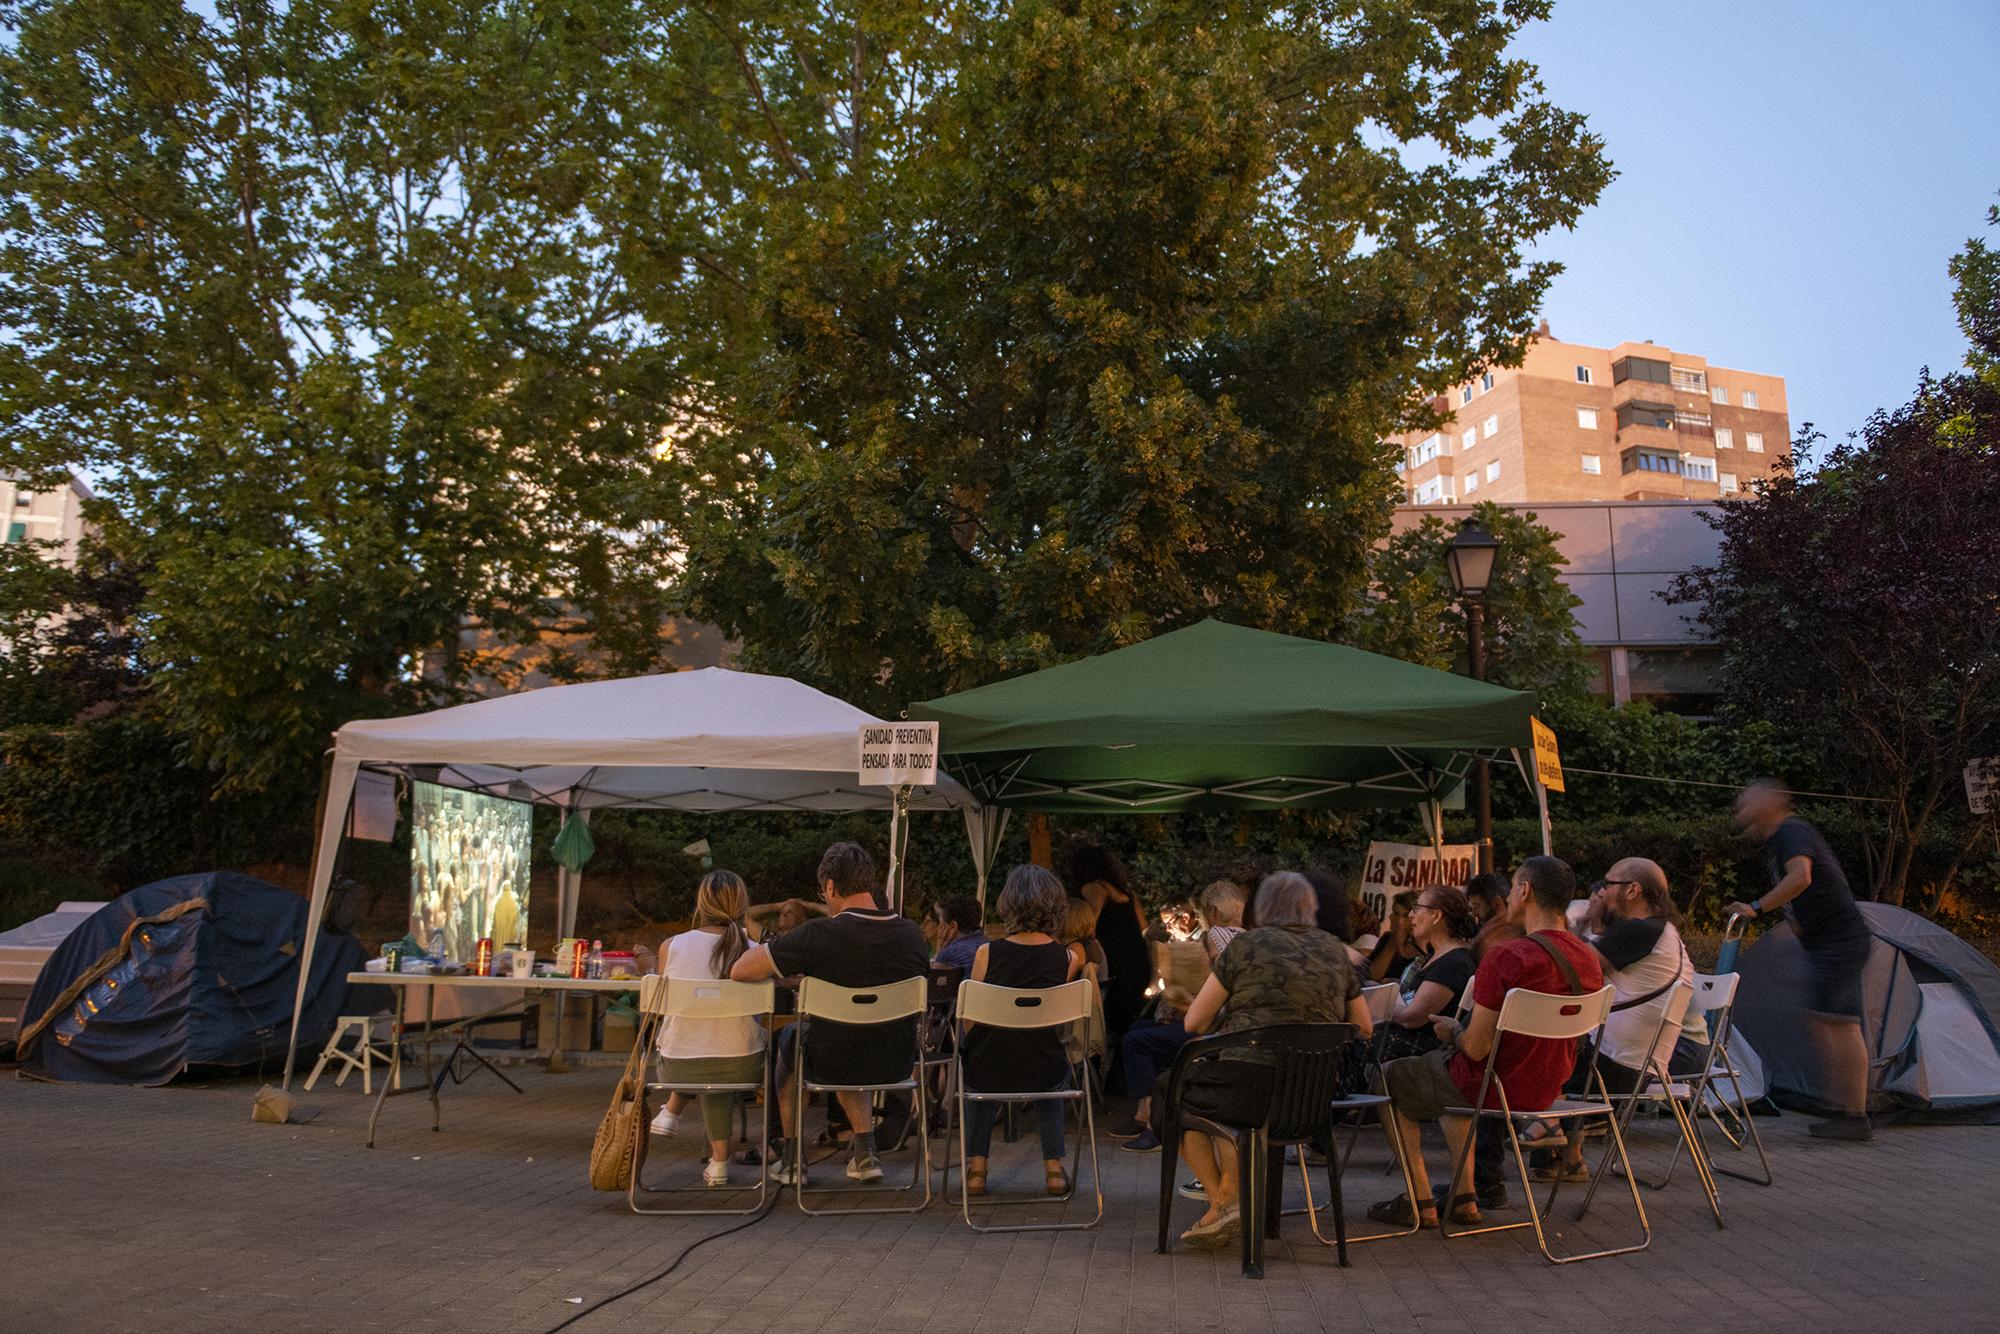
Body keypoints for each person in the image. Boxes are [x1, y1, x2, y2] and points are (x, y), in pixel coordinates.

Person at [1371, 855, 1603, 1229]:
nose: (1509, 897)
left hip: (1494, 1086)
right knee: (1442, 1080)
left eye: (1513, 887)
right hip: (1549, 1089)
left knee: (1386, 1075)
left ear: (1525, 891)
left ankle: (1420, 1200)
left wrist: (1451, 1031)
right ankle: (1464, 1197)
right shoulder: (1587, 959)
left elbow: (1476, 1048)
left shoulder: (1507, 956)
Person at [1161, 872, 1372, 1250]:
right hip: (1311, 1098)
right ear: (1311, 909)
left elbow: (1195, 1023)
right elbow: (1364, 1027)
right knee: (1216, 1092)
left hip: (1248, 1092)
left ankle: (1224, 1201)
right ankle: (1227, 1202)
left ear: (1260, 908)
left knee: (1169, 1091)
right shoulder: (1334, 952)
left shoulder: (1246, 947)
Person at [730, 842, 929, 1184]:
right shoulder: (911, 935)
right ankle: (866, 1153)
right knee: (850, 1033)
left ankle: (792, 1157)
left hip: (832, 1056)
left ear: (832, 887)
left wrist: (792, 974)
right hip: (897, 1060)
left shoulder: (818, 934)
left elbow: (741, 970)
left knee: (793, 1038)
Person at [1538, 857, 1704, 1181]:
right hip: (1640, 1066)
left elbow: (1572, 967)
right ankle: (1566, 1157)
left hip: (1617, 1068)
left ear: (1633, 890)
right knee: (1559, 1041)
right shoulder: (1661, 931)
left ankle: (1526, 1140)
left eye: (1608, 884)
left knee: (1527, 1044)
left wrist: (1583, 921)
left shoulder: (1639, 930)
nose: (1601, 892)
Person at [1728, 779, 1875, 1141]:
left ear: (1769, 805)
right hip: (1828, 941)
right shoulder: (1779, 841)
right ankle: (1841, 1107)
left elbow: (1801, 877)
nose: (1742, 813)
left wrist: (1756, 908)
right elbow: (1800, 895)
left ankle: (1854, 1115)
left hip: (1840, 941)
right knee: (1825, 1022)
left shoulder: (1790, 832)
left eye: (1747, 805)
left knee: (1839, 1023)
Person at [960, 865, 1083, 1197]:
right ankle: (1054, 1169)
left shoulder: (987, 953)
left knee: (980, 1057)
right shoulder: (1067, 957)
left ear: (1008, 904)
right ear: (1054, 906)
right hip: (1043, 1067)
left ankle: (977, 1168)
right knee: (1046, 1062)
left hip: (990, 1068)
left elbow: (971, 1020)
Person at [650, 870, 765, 1187]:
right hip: (741, 1067)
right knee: (726, 1055)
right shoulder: (755, 951)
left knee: (702, 1050)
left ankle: (673, 1112)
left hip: (676, 1068)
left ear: (701, 904)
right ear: (743, 904)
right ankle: (719, 1165)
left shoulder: (671, 946)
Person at [1112, 882, 1238, 1151]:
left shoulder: (1212, 941)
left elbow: (1205, 1012)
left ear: (1209, 913)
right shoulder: (1241, 941)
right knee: (1138, 1028)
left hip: (1208, 1029)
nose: (1167, 928)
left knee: (1136, 1042)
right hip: (1202, 1021)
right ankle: (1143, 1111)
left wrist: (1179, 995)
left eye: (1170, 922)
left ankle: (1152, 1121)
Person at [1064, 842, 1150, 1088]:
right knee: (1126, 1021)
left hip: (1114, 962)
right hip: (1138, 960)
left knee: (1102, 1017)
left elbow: (1087, 925)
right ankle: (1118, 1079)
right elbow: (1143, 926)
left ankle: (1095, 1078)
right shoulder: (1127, 893)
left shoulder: (1093, 888)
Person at [1379, 885, 1480, 1063]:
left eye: (1417, 908)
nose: (1411, 915)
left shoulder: (1454, 962)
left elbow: (1413, 1018)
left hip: (1423, 1050)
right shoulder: (1440, 955)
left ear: (1436, 915)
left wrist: (1375, 1007)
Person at [924, 895, 988, 973]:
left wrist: (938, 954)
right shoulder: (987, 944)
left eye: (939, 920)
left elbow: (931, 980)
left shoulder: (950, 954)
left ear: (953, 927)